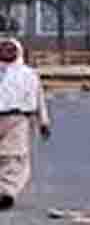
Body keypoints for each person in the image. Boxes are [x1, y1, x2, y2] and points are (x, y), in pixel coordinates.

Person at [0, 38, 50, 210]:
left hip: (19, 120)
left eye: (11, 49)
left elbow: (39, 98)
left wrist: (44, 122)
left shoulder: (28, 74)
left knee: (14, 157)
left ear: (18, 52)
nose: (7, 52)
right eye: (3, 49)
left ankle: (7, 193)